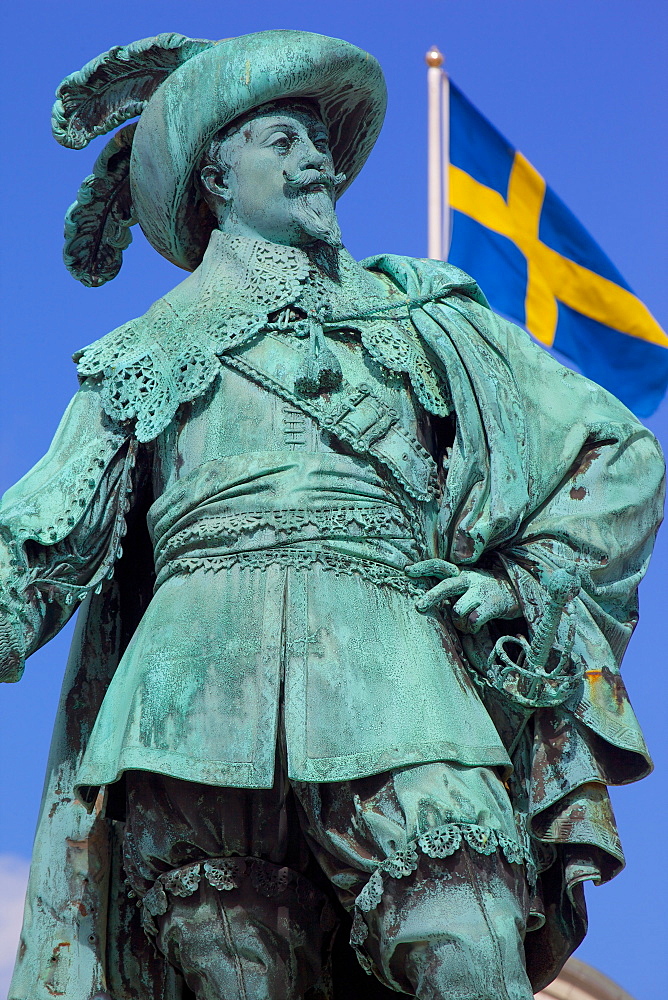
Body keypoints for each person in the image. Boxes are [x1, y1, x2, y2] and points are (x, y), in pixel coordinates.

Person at [2, 30, 663, 1000]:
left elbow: (619, 453)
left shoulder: (430, 322)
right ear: (214, 177)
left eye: (320, 140)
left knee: (468, 953)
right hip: (188, 720)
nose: (317, 161)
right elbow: (39, 536)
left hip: (398, 682)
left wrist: (520, 584)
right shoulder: (143, 354)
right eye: (283, 138)